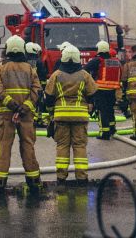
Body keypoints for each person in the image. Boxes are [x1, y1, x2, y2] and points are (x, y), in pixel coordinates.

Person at [0, 35, 42, 194]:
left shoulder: (1, 67)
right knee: (28, 145)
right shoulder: (30, 68)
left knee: (4, 146)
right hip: (26, 115)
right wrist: (23, 108)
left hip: (7, 114)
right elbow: (36, 91)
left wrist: (12, 106)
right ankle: (33, 180)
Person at [45, 44, 98, 186]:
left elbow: (48, 97)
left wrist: (51, 114)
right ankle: (82, 177)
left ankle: (61, 177)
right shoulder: (85, 75)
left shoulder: (56, 75)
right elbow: (93, 93)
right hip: (80, 116)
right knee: (79, 146)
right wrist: (91, 106)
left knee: (62, 146)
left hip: (61, 116)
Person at [84, 40, 121, 140]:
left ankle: (105, 133)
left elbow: (85, 69)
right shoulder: (115, 61)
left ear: (99, 49)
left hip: (100, 90)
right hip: (112, 90)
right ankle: (112, 129)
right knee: (110, 110)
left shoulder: (97, 60)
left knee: (102, 111)